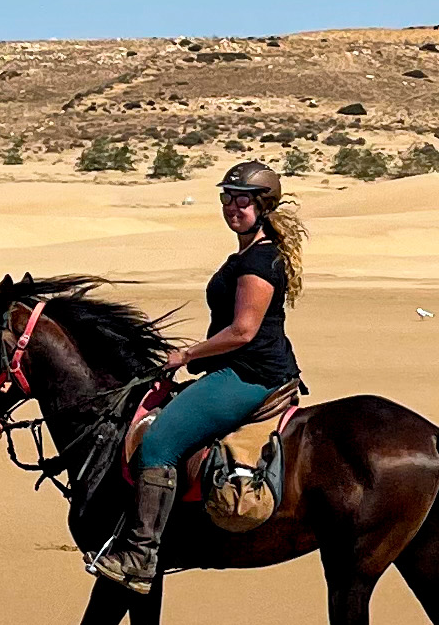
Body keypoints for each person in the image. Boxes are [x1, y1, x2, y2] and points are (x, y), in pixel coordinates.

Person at [94, 159, 306, 591]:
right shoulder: (246, 254)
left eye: (242, 200)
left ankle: (141, 554)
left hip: (250, 375)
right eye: (227, 198)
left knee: (158, 442)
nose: (232, 207)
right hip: (237, 368)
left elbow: (243, 331)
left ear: (263, 205)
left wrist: (186, 355)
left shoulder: (258, 261)